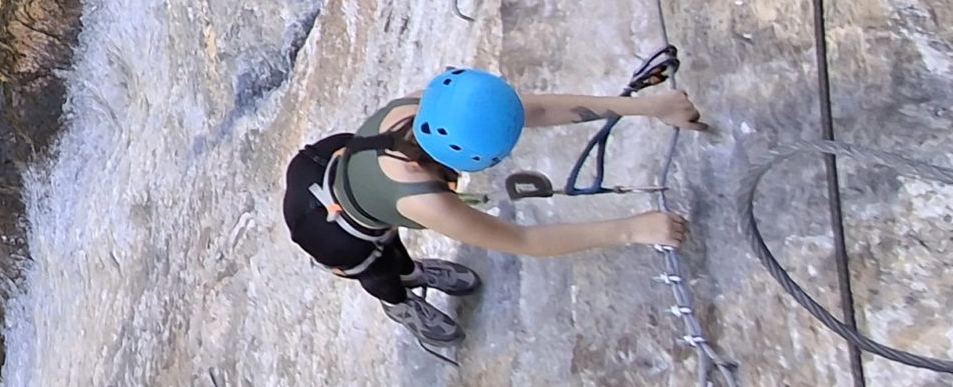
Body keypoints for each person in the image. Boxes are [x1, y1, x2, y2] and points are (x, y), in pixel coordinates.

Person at [280, 68, 709, 344]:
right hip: (334, 233)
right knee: (382, 266)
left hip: (326, 165)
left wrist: (649, 107)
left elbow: (536, 109)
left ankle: (412, 270)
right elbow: (524, 241)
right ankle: (400, 301)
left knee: (388, 233)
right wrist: (633, 229)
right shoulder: (424, 201)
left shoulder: (426, 106)